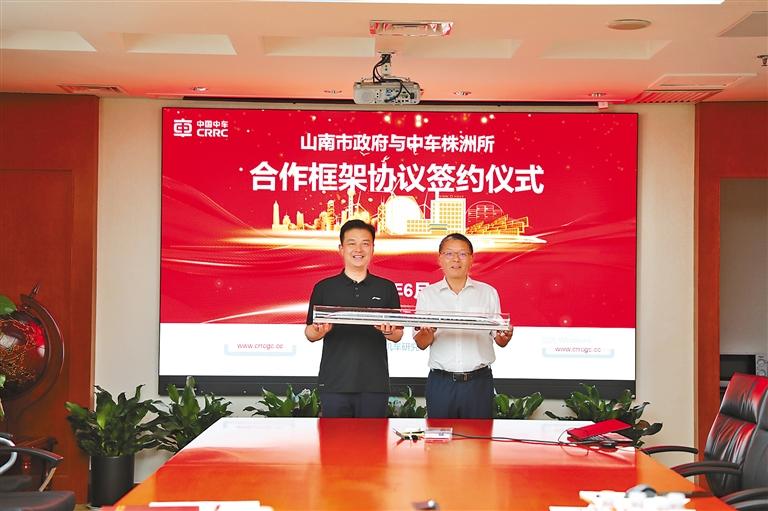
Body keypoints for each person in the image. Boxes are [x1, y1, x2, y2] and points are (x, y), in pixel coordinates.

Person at [305, 219, 403, 418]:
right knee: (335, 438)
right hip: (334, 383)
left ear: (373, 248)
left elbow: (398, 334)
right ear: (341, 249)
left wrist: (388, 331)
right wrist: (319, 331)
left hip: (374, 384)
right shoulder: (324, 287)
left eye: (365, 243)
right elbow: (309, 333)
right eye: (352, 243)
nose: (359, 249)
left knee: (373, 438)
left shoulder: (386, 287)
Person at [413, 233, 513, 419]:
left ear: (471, 259)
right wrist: (427, 333)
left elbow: (499, 339)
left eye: (462, 254)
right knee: (439, 437)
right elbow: (421, 343)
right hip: (441, 383)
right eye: (449, 253)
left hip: (478, 383)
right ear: (440, 258)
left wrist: (505, 336)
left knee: (479, 436)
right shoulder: (428, 294)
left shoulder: (488, 293)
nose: (456, 259)